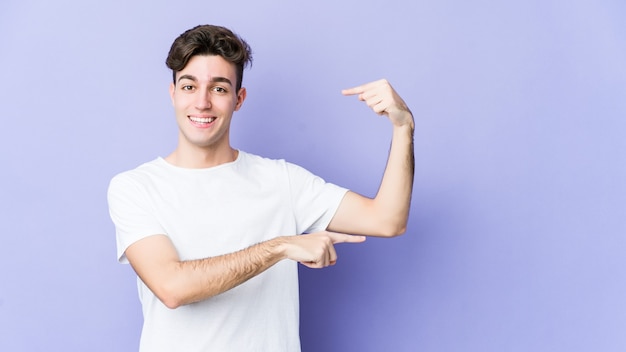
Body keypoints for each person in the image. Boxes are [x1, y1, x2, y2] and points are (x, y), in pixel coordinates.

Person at [107, 24, 414, 352]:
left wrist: (403, 126)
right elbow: (172, 287)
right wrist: (281, 246)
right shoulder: (135, 188)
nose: (202, 102)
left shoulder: (281, 181)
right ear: (173, 94)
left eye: (219, 89)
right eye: (189, 86)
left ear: (238, 99)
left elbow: (387, 219)